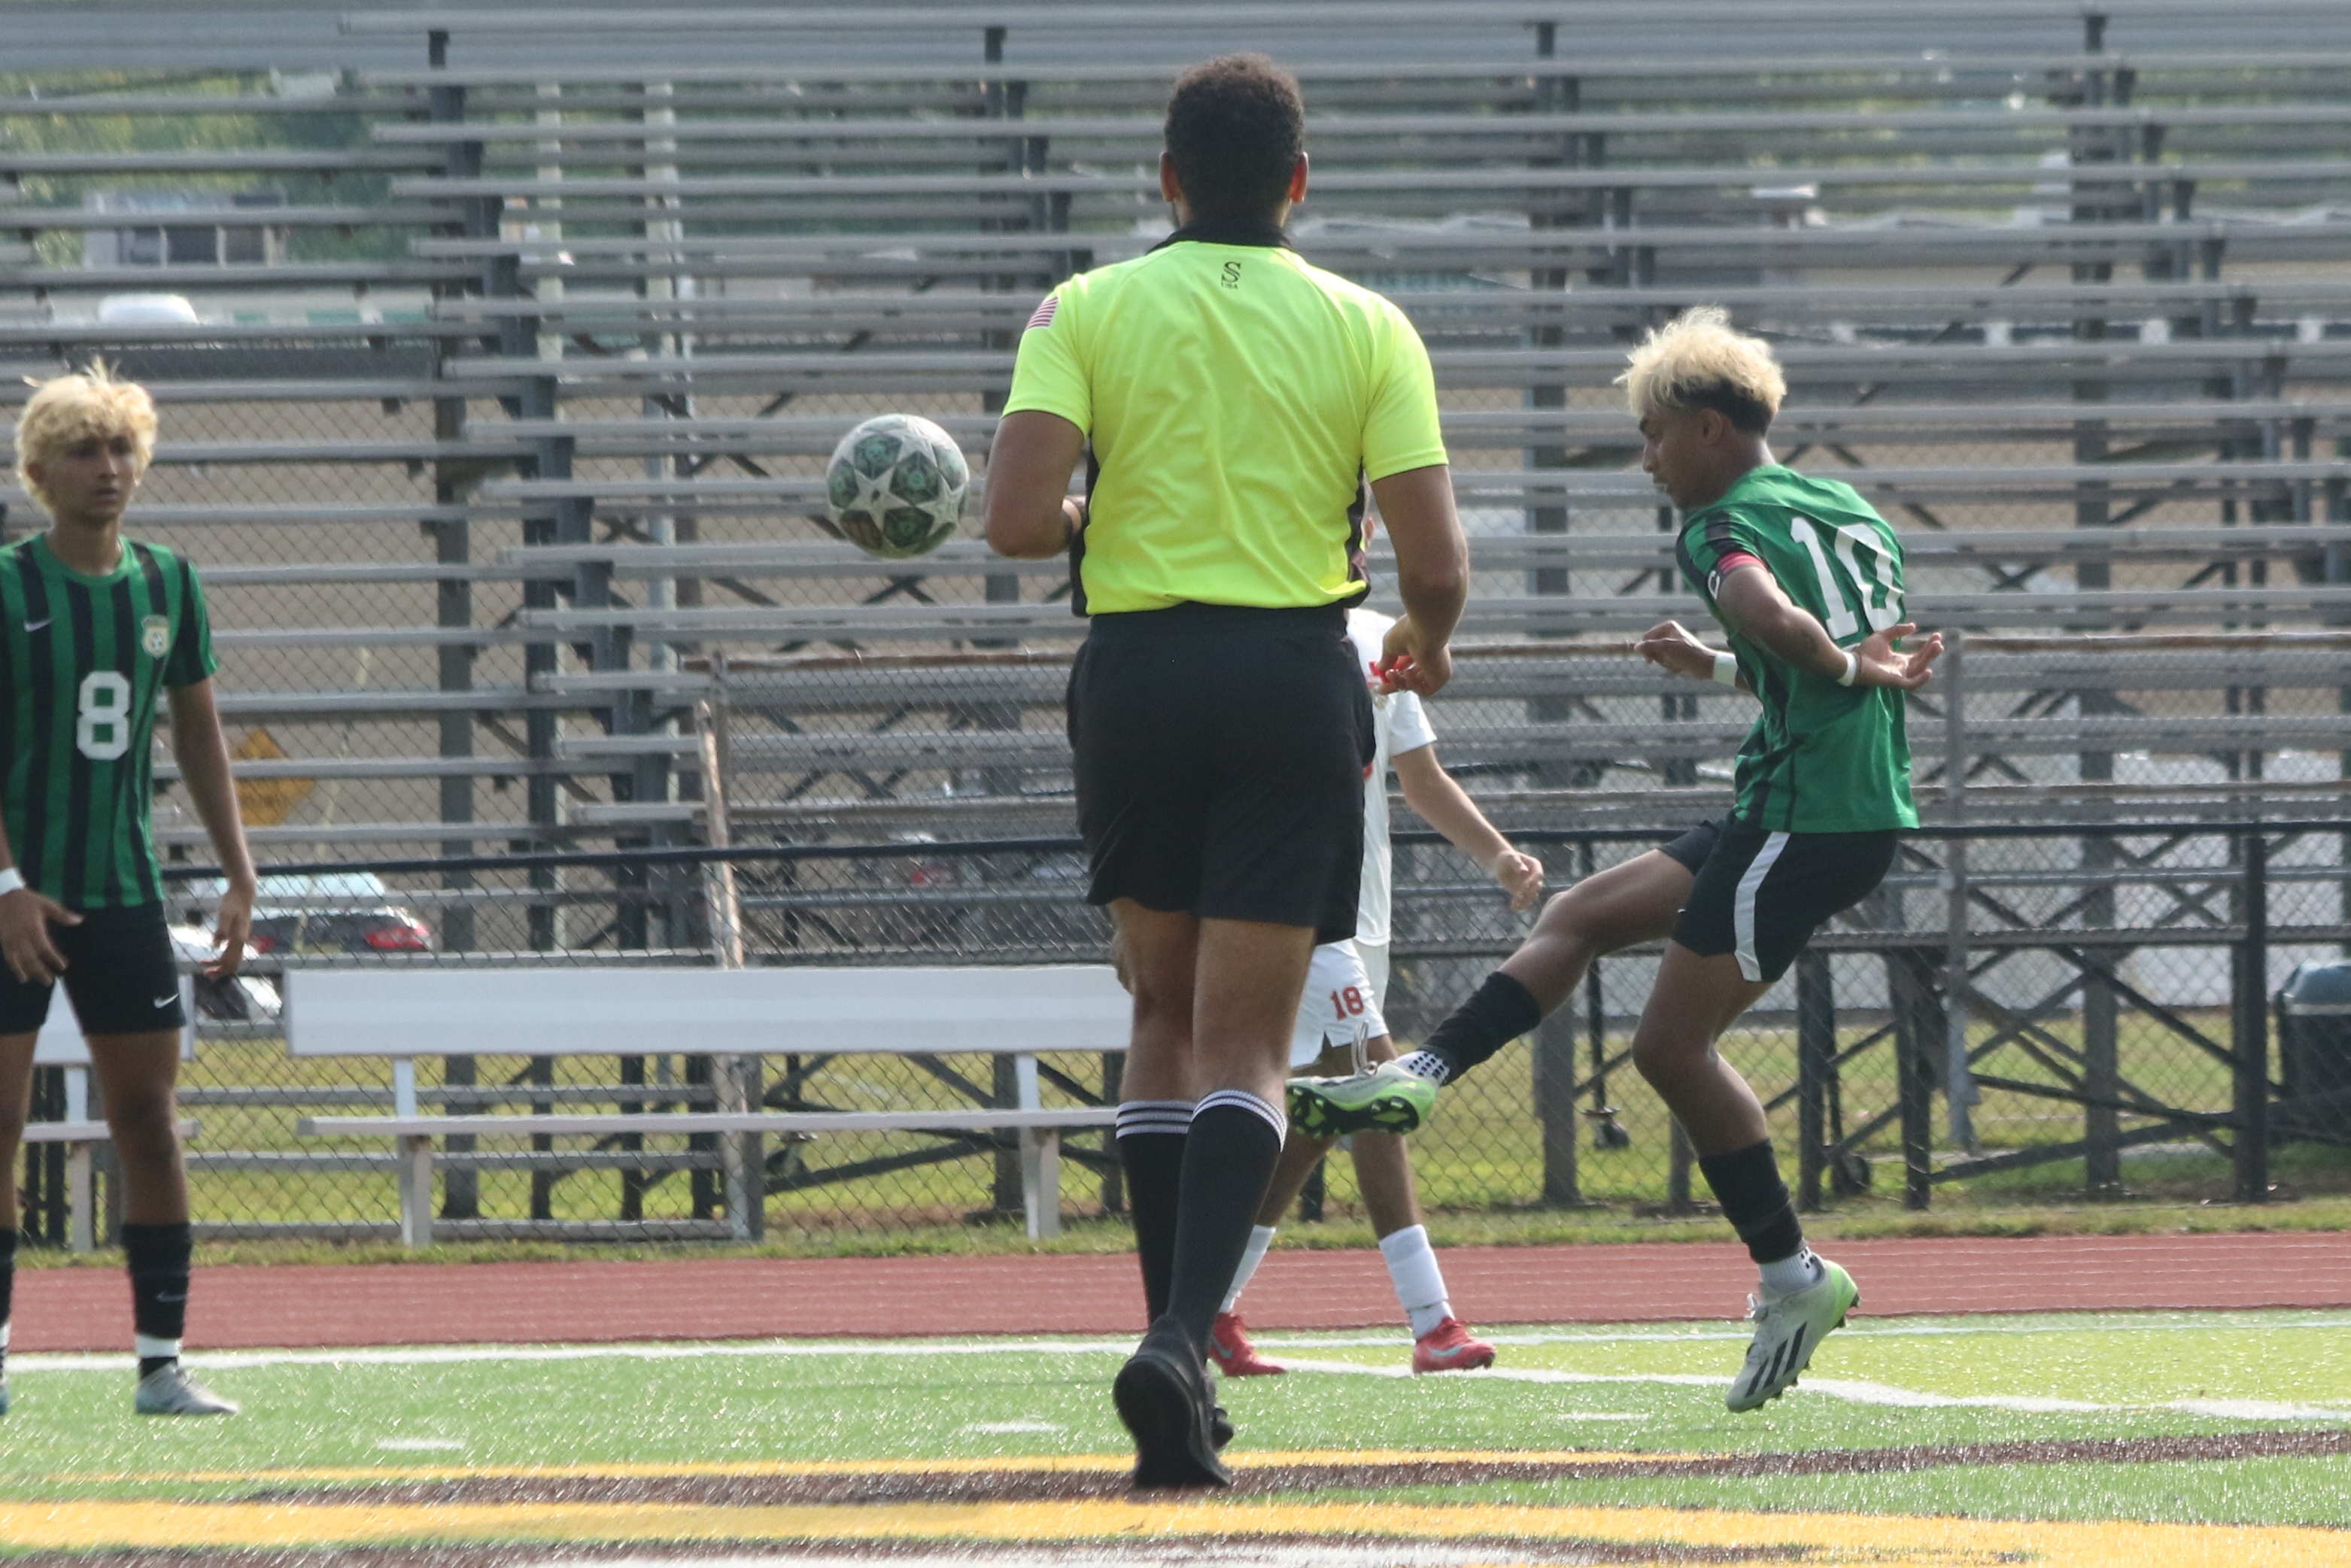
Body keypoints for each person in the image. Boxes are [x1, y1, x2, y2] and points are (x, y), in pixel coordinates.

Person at [1292, 306, 1942, 1413]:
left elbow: (1778, 618)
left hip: (1807, 817)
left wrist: (1839, 664)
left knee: (1669, 1049)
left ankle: (1793, 1275)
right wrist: (1724, 664)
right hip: (1808, 803)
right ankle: (1423, 1074)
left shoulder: (1719, 523)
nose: (1646, 460)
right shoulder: (1844, 505)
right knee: (1582, 914)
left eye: (1651, 435)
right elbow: (1798, 649)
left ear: (1704, 427)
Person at [986, 54, 1468, 1487]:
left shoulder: (1084, 307)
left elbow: (1015, 521)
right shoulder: (1369, 324)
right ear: (1300, 182)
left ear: (1169, 179)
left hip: (1137, 675)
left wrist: (1089, 510)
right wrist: (1427, 643)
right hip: (1289, 674)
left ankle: (1172, 1350)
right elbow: (1437, 564)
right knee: (1250, 1039)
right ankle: (1184, 1338)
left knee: (1160, 1011)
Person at [0, 362, 258, 1418]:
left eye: (120, 449)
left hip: (123, 892)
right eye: (83, 451)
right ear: (40, 471)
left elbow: (197, 732)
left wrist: (238, 867)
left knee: (148, 1120)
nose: (106, 468)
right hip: (11, 901)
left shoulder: (169, 583)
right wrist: (7, 883)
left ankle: (161, 1364)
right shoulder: (8, 585)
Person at [1209, 603, 1540, 1380]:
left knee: (1321, 1117)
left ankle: (1208, 1305)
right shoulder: (1249, 630)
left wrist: (1496, 855)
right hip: (1300, 905)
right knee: (1379, 1091)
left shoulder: (1379, 635)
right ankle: (1432, 1321)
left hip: (1364, 917)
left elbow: (1420, 777)